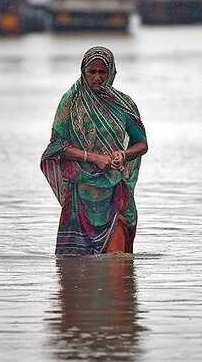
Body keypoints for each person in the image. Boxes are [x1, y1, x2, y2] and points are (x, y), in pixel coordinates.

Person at [41, 46, 148, 255]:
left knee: (118, 266)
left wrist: (123, 155)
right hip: (80, 194)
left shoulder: (123, 105)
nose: (97, 78)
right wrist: (94, 157)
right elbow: (56, 146)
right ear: (83, 72)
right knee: (74, 276)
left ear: (112, 73)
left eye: (103, 72)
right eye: (92, 72)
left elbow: (142, 144)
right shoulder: (70, 103)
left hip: (115, 191)